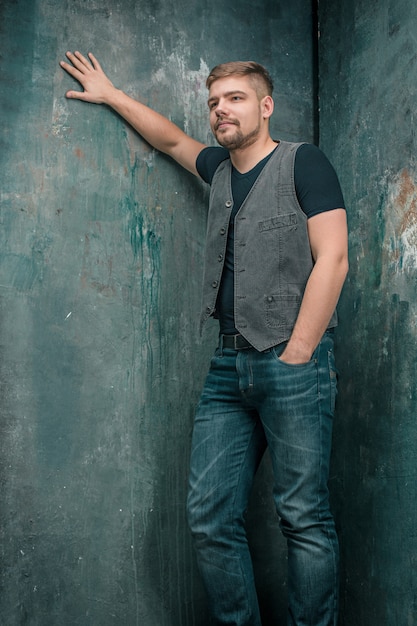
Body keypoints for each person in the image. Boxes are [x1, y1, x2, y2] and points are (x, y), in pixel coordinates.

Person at [60, 51, 348, 626]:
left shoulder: (303, 162)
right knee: (211, 518)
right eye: (214, 102)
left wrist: (299, 353)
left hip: (292, 364)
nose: (221, 110)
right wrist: (112, 94)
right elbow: (170, 142)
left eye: (235, 99)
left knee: (303, 517)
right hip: (227, 368)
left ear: (265, 107)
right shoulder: (218, 170)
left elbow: (333, 258)